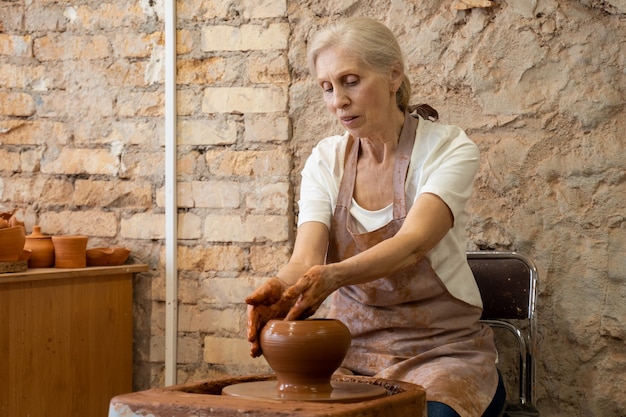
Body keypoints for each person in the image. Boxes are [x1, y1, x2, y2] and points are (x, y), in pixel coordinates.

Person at [245, 17, 506, 417]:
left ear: (393, 75)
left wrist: (334, 276)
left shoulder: (448, 148)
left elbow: (412, 244)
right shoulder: (326, 160)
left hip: (442, 354)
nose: (338, 101)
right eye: (327, 88)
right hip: (348, 357)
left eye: (351, 81)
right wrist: (279, 289)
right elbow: (306, 261)